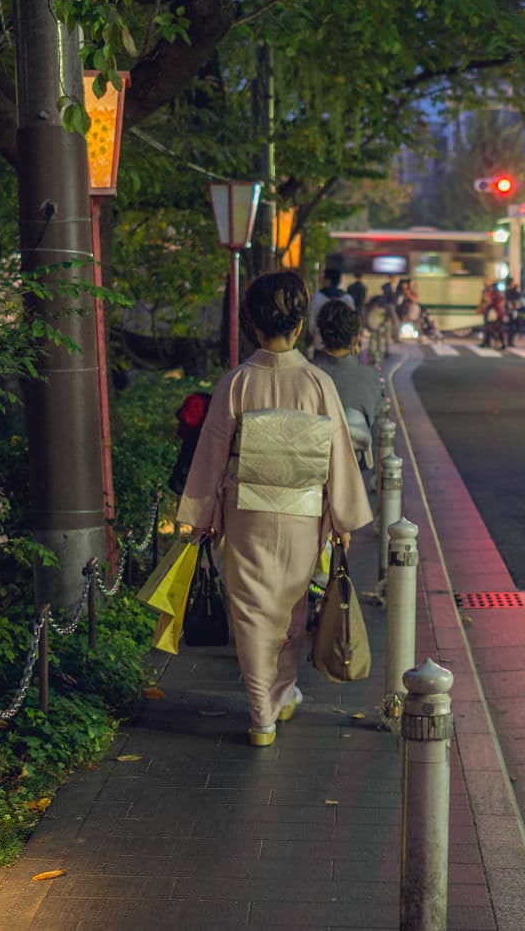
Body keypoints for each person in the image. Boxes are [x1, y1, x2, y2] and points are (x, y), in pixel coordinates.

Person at [177, 272, 373, 747]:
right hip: (303, 513)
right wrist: (342, 517)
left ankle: (262, 713)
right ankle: (281, 693)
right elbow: (338, 455)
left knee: (251, 613)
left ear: (252, 325)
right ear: (299, 326)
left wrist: (201, 514)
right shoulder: (318, 382)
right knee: (292, 607)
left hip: (247, 511)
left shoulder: (238, 382)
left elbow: (213, 451)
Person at [313, 300, 386, 461]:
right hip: (354, 464)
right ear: (355, 339)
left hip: (313, 461)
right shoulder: (369, 376)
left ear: (321, 334)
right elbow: (375, 414)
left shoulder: (307, 373)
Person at [306, 268, 355, 356]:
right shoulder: (347, 298)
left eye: (323, 279)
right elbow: (353, 321)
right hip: (342, 345)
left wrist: (312, 334)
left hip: (320, 343)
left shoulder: (317, 297)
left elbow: (311, 322)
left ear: (328, 280)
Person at [477, 281, 508, 349]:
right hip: (497, 313)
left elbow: (491, 303)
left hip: (494, 313)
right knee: (496, 329)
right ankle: (499, 343)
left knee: (491, 328)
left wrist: (487, 303)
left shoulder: (494, 294)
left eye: (492, 287)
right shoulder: (499, 294)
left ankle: (497, 342)